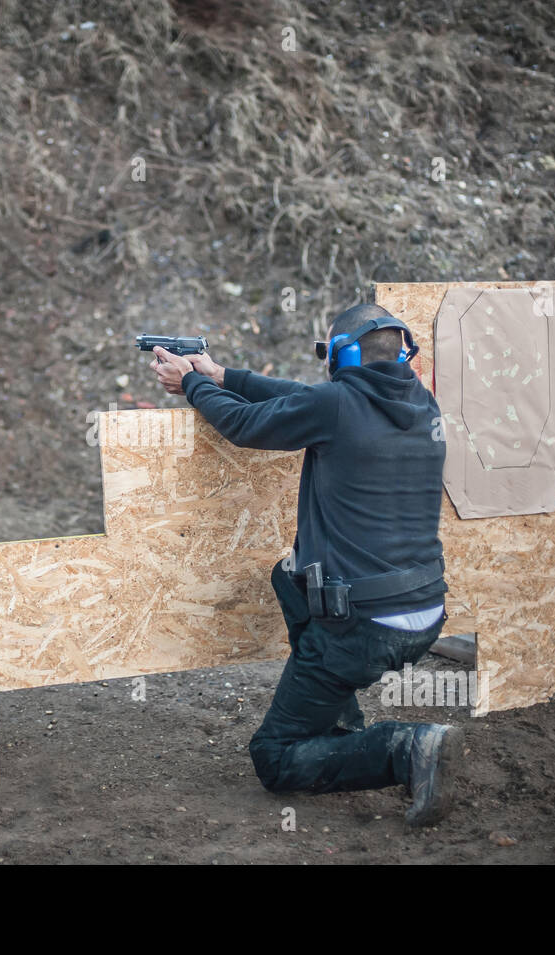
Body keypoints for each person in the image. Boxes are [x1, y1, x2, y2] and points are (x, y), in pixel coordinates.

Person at [148, 303, 463, 825]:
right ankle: (338, 722)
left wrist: (194, 385)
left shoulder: (338, 405)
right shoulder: (423, 406)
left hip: (362, 629)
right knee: (289, 576)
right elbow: (305, 400)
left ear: (342, 354)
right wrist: (222, 375)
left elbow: (247, 425)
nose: (324, 363)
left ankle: (405, 748)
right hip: (425, 615)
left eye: (327, 353)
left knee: (276, 758)